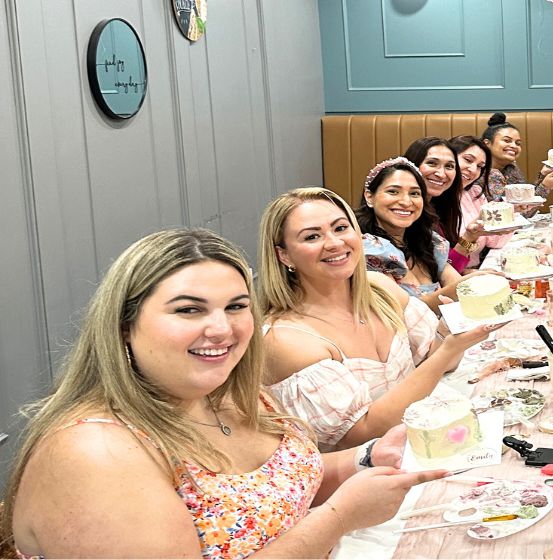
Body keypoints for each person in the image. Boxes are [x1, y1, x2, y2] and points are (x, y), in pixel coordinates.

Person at [0, 228, 446, 558]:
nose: (221, 329)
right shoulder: (96, 452)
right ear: (123, 326)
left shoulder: (227, 392)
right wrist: (340, 517)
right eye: (189, 309)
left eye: (236, 306)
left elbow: (277, 485)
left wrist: (365, 458)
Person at [259, 187, 495, 449]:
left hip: (428, 445)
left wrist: (446, 333)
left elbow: (438, 362)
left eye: (340, 228)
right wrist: (445, 352)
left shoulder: (379, 288)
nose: (335, 243)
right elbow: (359, 434)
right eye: (312, 236)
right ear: (284, 255)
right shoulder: (285, 339)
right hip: (369, 476)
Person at [356, 157, 481, 307]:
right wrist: (464, 286)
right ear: (369, 197)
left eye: (414, 193)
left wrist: (481, 282)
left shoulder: (427, 240)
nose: (406, 202)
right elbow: (408, 313)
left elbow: (452, 280)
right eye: (393, 191)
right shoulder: (369, 251)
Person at [481, 113, 553, 216]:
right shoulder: (482, 172)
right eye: (507, 140)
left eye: (518, 143)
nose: (513, 146)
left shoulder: (511, 167)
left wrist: (543, 176)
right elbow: (512, 215)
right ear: (487, 143)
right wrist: (546, 186)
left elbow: (524, 204)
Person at [432, 135, 495, 271]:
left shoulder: (472, 193)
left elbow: (494, 240)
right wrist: (469, 238)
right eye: (468, 160)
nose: (473, 170)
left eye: (480, 167)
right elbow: (442, 270)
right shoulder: (430, 201)